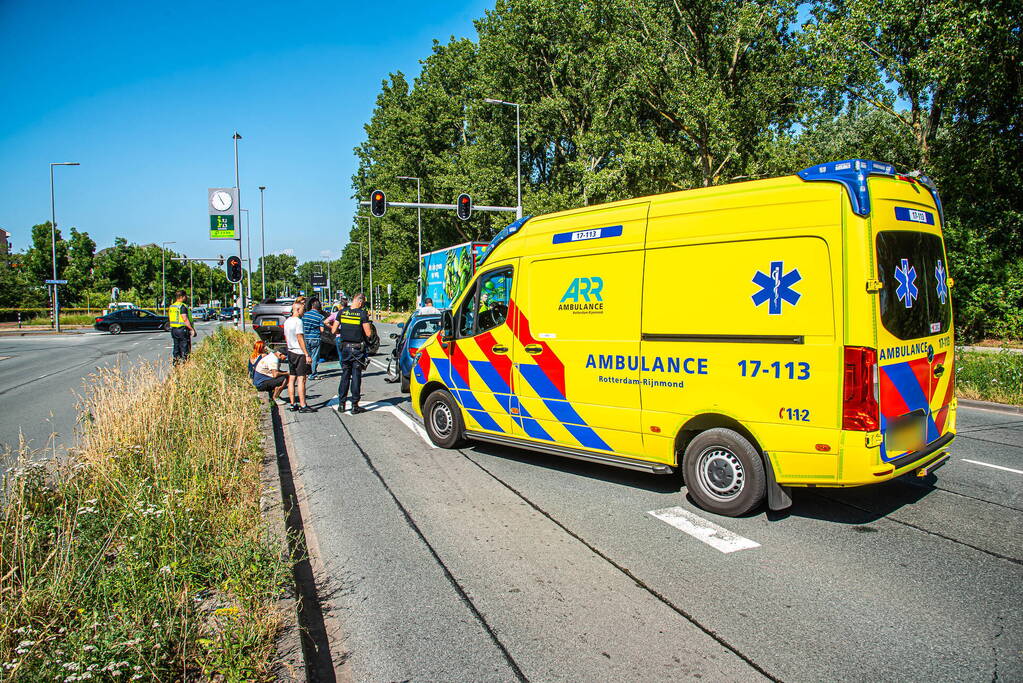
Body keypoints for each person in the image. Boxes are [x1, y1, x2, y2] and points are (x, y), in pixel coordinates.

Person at [331, 292, 373, 414]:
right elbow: (368, 333)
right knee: (356, 377)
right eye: (363, 303)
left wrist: (344, 330)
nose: (363, 305)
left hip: (344, 349)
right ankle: (355, 405)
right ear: (360, 301)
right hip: (357, 350)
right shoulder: (362, 314)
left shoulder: (342, 312)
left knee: (345, 375)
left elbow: (334, 330)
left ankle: (341, 404)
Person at [283, 300, 315, 412]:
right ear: (297, 309)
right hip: (299, 353)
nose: (304, 312)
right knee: (302, 379)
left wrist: (289, 347)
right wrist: (306, 354)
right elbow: (300, 338)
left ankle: (293, 404)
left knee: (292, 378)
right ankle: (303, 405)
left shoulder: (287, 321)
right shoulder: (298, 322)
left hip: (291, 351)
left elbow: (286, 337)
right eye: (302, 310)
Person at [167, 290, 196, 364]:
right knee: (185, 348)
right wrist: (192, 329)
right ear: (182, 297)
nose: (186, 298)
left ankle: (176, 364)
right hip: (182, 330)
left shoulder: (172, 307)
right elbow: (185, 318)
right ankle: (185, 364)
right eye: (185, 296)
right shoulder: (182, 306)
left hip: (174, 330)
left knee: (176, 347)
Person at [302, 297, 326, 379]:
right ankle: (313, 374)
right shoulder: (320, 317)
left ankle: (307, 372)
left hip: (306, 338)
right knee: (314, 357)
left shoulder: (305, 315)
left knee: (307, 355)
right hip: (315, 338)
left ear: (312, 306)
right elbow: (322, 330)